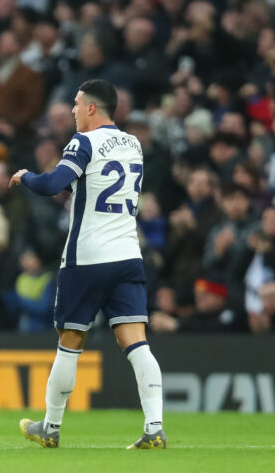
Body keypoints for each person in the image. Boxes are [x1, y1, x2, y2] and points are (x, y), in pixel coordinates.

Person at [10, 79, 166, 449]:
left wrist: (26, 177)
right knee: (138, 344)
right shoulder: (134, 144)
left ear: (92, 108)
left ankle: (50, 427)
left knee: (70, 342)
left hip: (88, 258)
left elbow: (54, 184)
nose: (74, 111)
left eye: (77, 105)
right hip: (128, 255)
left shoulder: (83, 142)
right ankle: (154, 428)